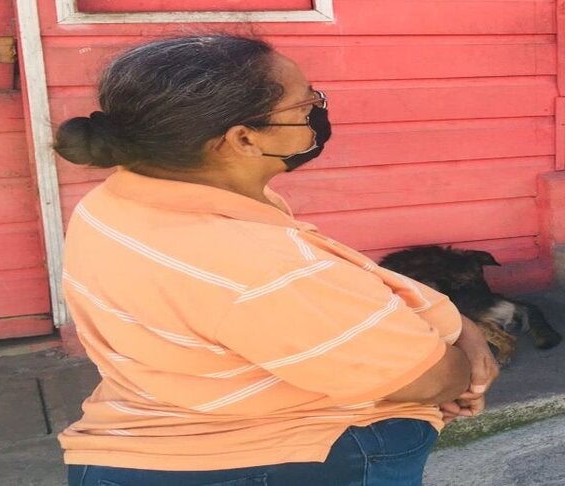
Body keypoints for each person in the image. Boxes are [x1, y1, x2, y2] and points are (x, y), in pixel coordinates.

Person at [55, 35, 499, 485]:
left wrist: (461, 325)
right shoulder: (257, 265)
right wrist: (469, 359)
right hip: (262, 460)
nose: (317, 112)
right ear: (244, 139)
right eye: (306, 106)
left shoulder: (111, 204)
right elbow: (426, 379)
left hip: (135, 442)